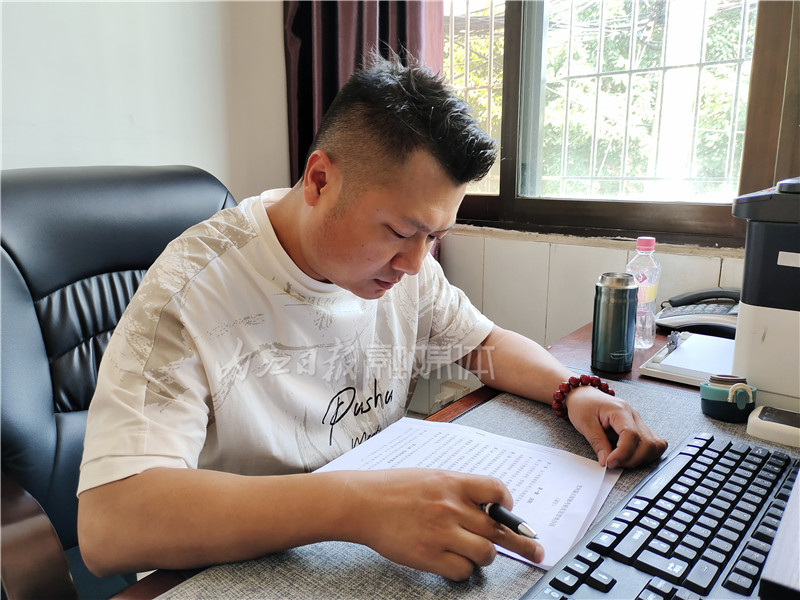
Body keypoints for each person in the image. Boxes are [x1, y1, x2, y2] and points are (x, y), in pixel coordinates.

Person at [77, 53, 667, 582]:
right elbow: (109, 525)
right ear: (320, 180)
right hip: (229, 570)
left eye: (435, 236)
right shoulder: (189, 291)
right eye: (401, 231)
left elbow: (482, 343)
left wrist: (574, 391)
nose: (415, 264)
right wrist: (357, 506)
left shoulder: (406, 268)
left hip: (360, 547)